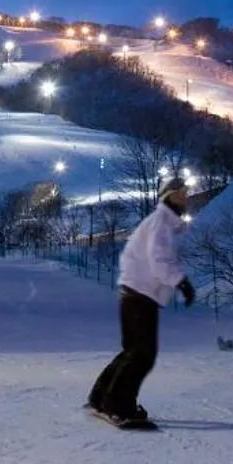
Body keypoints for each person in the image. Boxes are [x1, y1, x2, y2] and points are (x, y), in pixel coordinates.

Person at [87, 180, 194, 427]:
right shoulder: (161, 223)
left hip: (136, 292)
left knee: (134, 351)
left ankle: (101, 398)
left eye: (185, 193)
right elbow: (159, 261)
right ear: (167, 197)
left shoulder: (160, 223)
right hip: (140, 294)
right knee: (142, 354)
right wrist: (181, 282)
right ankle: (118, 407)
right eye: (179, 194)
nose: (184, 198)